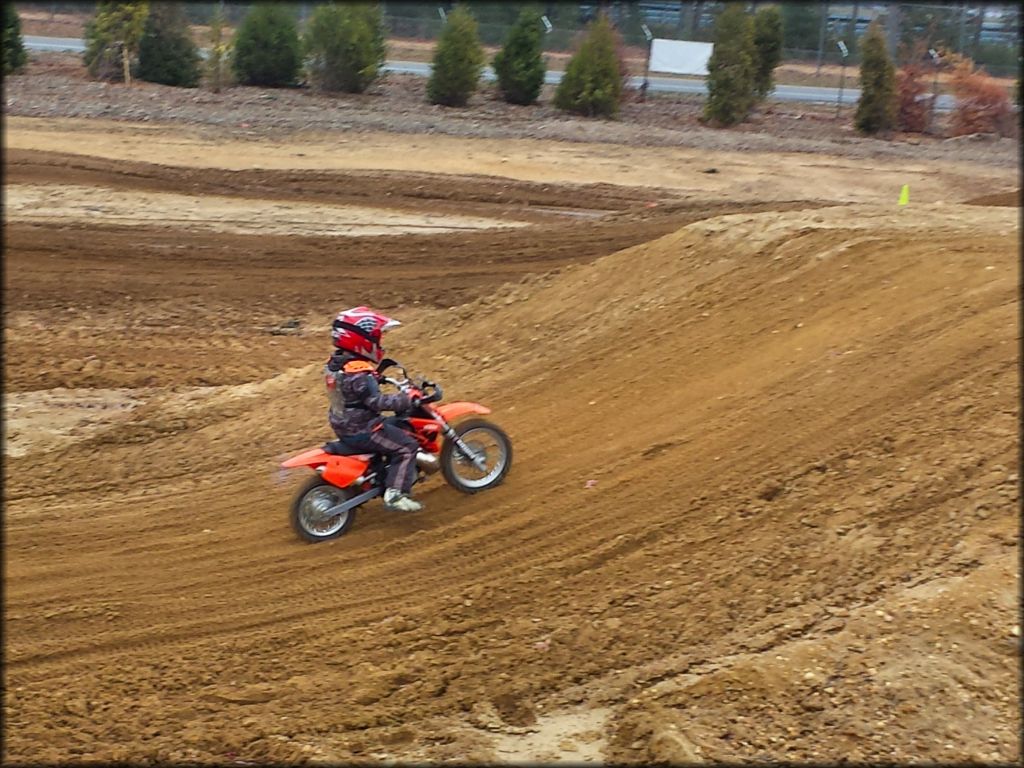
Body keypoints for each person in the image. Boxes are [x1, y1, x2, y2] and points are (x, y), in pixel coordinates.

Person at [324, 307, 423, 513]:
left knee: (394, 428)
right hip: (362, 429)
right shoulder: (360, 373)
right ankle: (395, 494)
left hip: (342, 422)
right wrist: (406, 399)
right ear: (361, 339)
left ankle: (379, 473)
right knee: (407, 446)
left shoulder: (337, 364)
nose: (379, 343)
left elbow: (351, 387)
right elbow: (377, 402)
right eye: (377, 337)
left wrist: (375, 378)